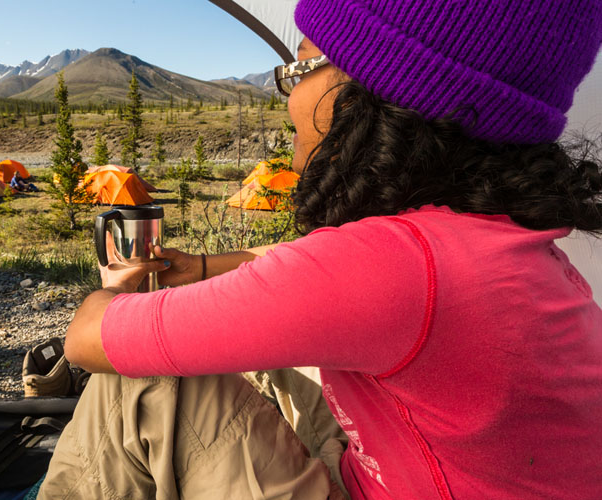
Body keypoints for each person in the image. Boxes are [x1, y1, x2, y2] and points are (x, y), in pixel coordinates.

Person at [39, 0, 602, 498]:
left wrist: (114, 293)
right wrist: (204, 269)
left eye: (301, 65)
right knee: (250, 365)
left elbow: (88, 339)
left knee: (144, 377)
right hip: (403, 468)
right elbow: (297, 269)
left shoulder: (388, 265)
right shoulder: (479, 240)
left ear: (372, 94)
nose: (287, 95)